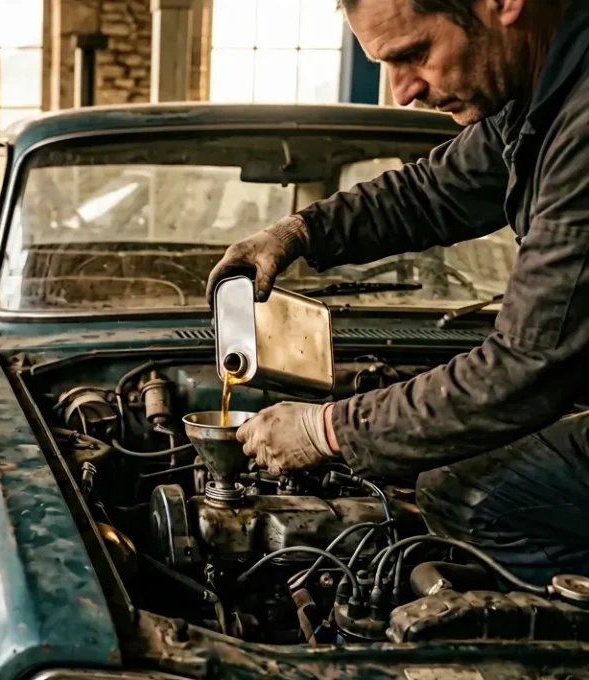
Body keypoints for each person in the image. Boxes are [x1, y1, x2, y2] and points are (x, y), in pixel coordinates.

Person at [206, 0, 589, 580]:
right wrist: (299, 232)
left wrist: (328, 429)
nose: (402, 90)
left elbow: (527, 364)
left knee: (466, 493)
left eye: (414, 54)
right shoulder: (537, 99)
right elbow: (433, 193)